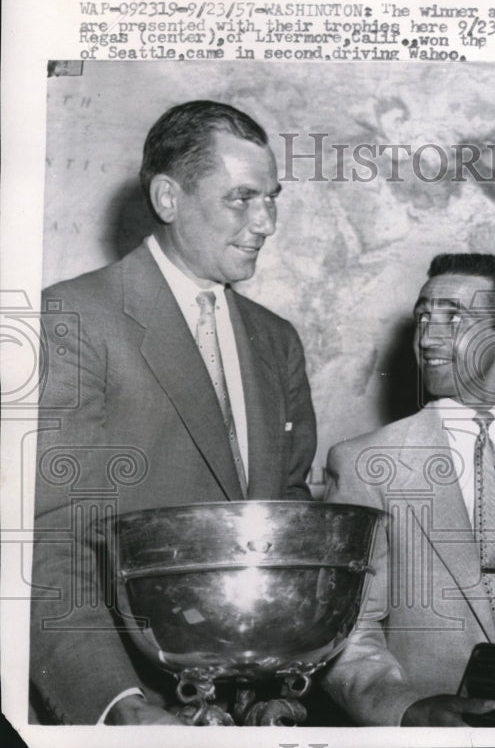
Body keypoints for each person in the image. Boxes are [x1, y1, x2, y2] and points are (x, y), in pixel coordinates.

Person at [30, 100, 317, 725]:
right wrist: (117, 706)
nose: (266, 221)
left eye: (272, 198)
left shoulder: (277, 340)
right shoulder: (74, 320)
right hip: (138, 703)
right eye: (242, 198)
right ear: (167, 197)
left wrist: (273, 691)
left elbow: (291, 522)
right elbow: (53, 544)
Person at [321, 253, 495, 726]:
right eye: (423, 316)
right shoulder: (363, 462)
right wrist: (403, 709)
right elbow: (347, 626)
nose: (428, 336)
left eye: (453, 316)